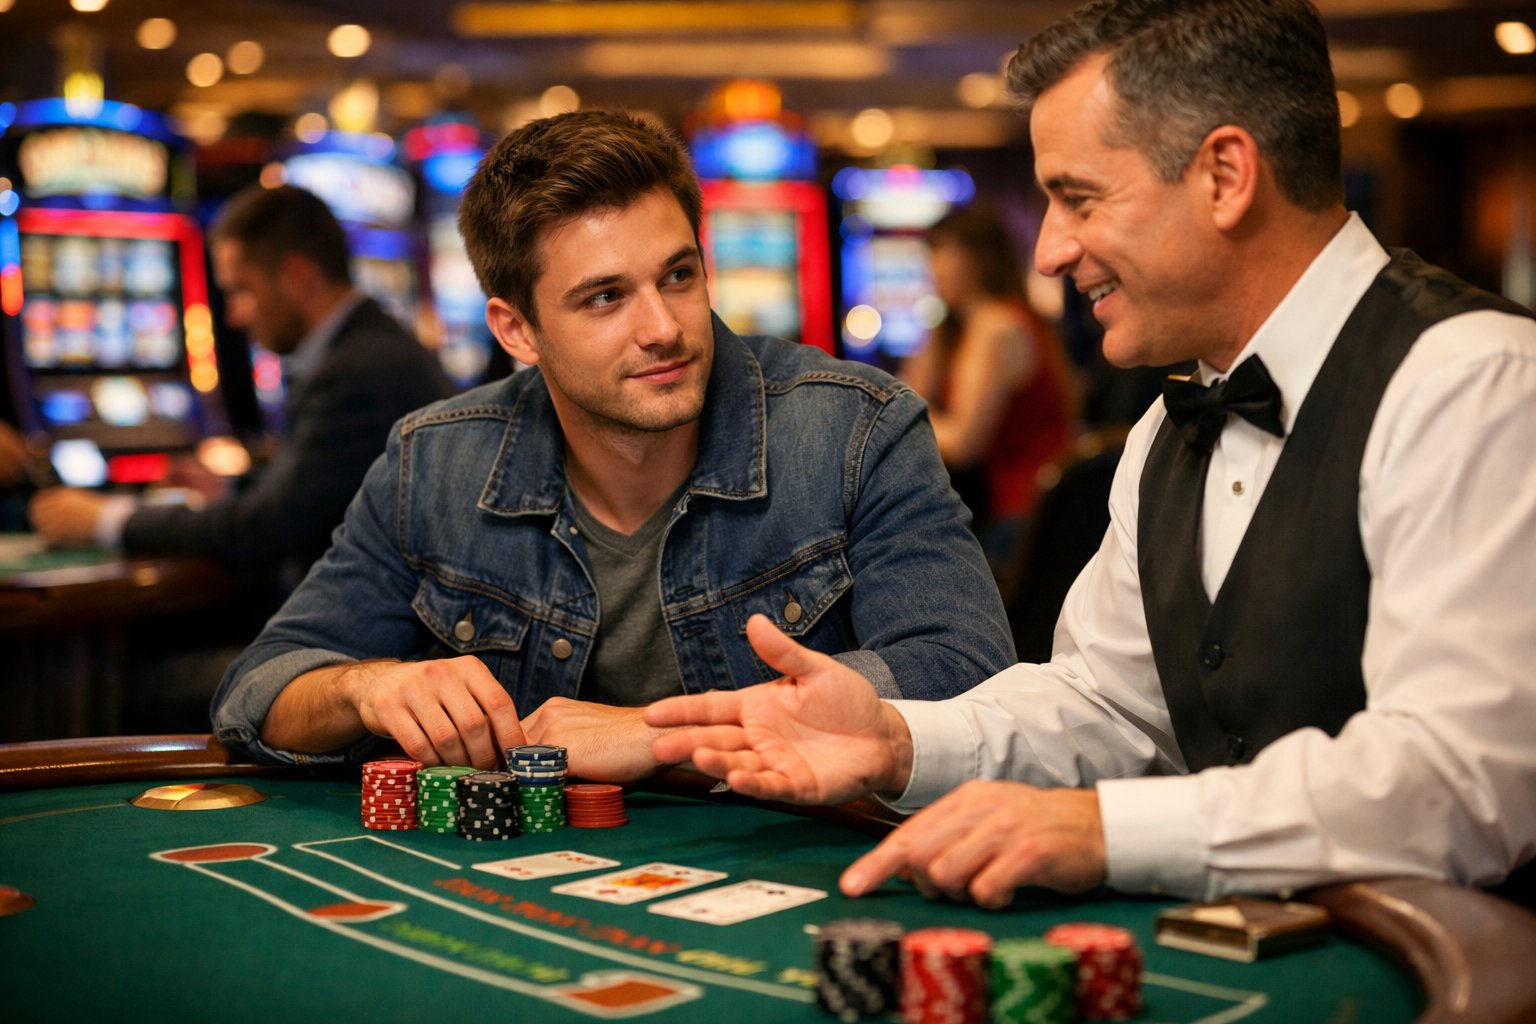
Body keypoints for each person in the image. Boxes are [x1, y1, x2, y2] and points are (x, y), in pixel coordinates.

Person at [647, 0, 1536, 906]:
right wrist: (896, 739)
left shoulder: (1473, 382)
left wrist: (1105, 831)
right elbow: (1111, 702)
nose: (1048, 250)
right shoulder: (1166, 428)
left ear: (1226, 176)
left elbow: (1465, 782)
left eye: (1078, 198)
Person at [209, 110, 1015, 780]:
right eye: (604, 297)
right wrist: (367, 687)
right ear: (517, 331)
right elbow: (258, 691)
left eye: (678, 276)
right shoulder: (433, 463)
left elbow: (971, 676)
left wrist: (658, 735)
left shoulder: (856, 430)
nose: (663, 328)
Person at [27, 184, 455, 593]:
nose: (233, 316)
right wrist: (233, 487)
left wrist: (108, 519)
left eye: (241, 291)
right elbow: (316, 491)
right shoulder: (371, 343)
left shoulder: (354, 373)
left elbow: (261, 530)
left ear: (297, 276)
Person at [901, 204, 1077, 572]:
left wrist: (894, 420)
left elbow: (964, 443)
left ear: (978, 256)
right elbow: (908, 394)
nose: (933, 268)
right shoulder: (964, 326)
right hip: (1010, 511)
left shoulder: (997, 325)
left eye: (942, 252)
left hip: (1019, 519)